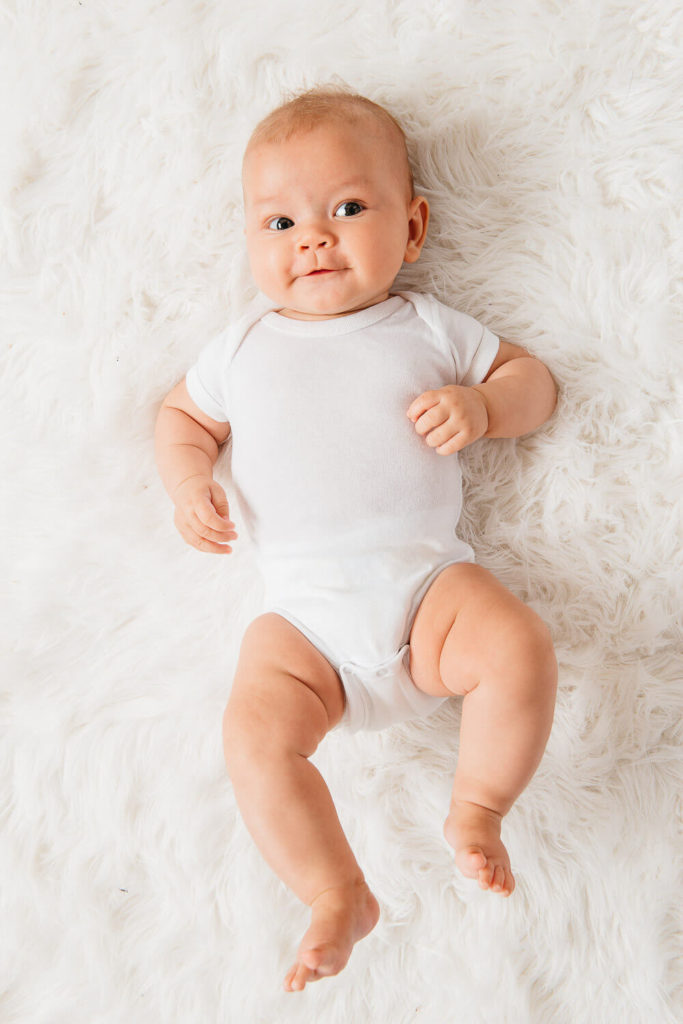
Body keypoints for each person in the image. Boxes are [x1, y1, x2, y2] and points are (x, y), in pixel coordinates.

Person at [154, 86, 558, 993]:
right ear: (250, 241)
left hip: (426, 597)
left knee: (519, 644)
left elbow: (534, 383)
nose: (314, 238)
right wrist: (188, 482)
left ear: (412, 228)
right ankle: (334, 889)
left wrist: (485, 406)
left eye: (348, 208)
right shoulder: (242, 347)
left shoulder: (426, 327)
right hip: (304, 625)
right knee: (253, 736)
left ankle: (479, 806)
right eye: (280, 221)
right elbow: (180, 415)